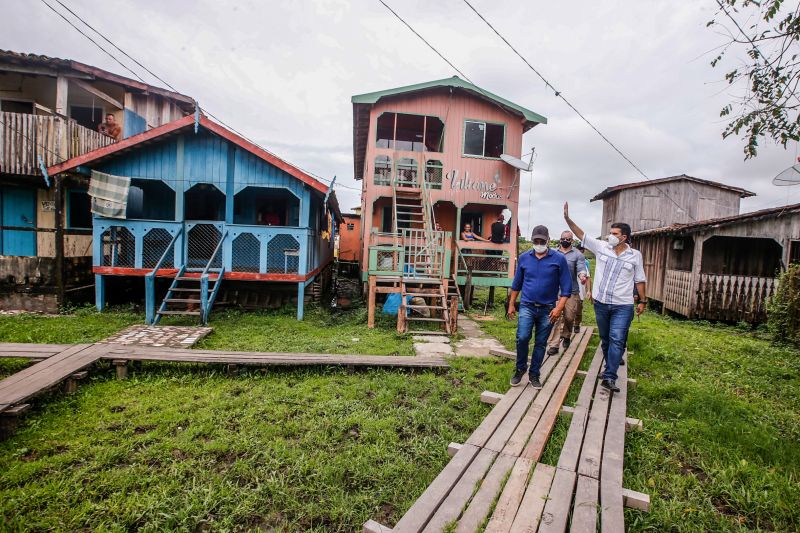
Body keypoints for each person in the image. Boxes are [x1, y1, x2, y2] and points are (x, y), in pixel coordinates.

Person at [563, 202, 646, 393]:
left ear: (624, 237)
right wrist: (568, 219)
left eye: (615, 234)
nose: (610, 236)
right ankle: (610, 368)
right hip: (601, 303)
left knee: (617, 339)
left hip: (623, 305)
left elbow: (640, 279)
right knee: (606, 339)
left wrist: (643, 300)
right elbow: (581, 234)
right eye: (610, 233)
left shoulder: (635, 256)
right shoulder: (601, 247)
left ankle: (609, 376)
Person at [507, 225, 572, 389]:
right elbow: (516, 284)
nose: (539, 243)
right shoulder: (524, 258)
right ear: (532, 240)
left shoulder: (558, 259)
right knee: (522, 337)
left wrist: (558, 309)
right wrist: (511, 305)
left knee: (541, 343)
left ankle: (534, 374)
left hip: (548, 309)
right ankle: (520, 369)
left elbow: (566, 289)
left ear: (548, 240)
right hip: (527, 306)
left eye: (542, 241)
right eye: (536, 241)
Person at [547, 231, 588, 355]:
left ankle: (566, 335)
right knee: (555, 317)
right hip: (555, 291)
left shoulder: (577, 254)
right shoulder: (553, 253)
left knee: (569, 317)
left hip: (571, 291)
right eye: (563, 238)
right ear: (560, 239)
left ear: (572, 240)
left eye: (568, 239)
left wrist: (582, 276)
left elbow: (581, 268)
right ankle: (554, 345)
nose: (566, 240)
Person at [574, 244, 592, 333]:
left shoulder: (585, 263)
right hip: (568, 290)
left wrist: (588, 290)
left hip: (580, 289)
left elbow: (588, 277)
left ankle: (576, 324)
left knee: (578, 308)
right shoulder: (567, 260)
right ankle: (564, 330)